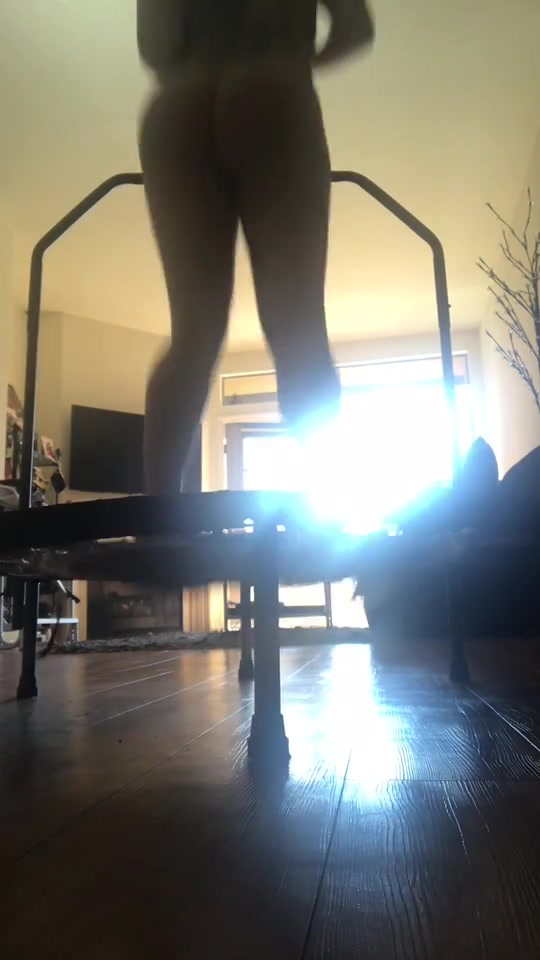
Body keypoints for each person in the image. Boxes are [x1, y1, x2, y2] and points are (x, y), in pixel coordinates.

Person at [137, 0, 375, 494]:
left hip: (180, 107)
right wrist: (289, 59)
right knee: (298, 327)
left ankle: (157, 521)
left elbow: (155, 46)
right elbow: (354, 28)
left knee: (193, 337)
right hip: (271, 91)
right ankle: (321, 510)